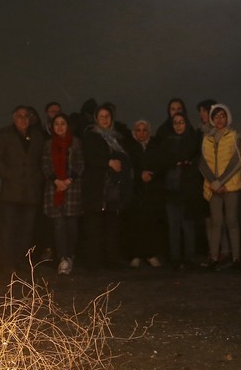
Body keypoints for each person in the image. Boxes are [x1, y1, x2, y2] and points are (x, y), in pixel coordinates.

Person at [0, 106, 46, 275]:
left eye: (26, 116)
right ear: (14, 117)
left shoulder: (37, 136)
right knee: (8, 228)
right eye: (20, 116)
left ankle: (21, 261)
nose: (23, 119)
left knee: (26, 229)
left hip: (31, 190)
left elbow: (42, 158)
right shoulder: (5, 134)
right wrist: (6, 175)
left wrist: (38, 177)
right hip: (11, 190)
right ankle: (6, 262)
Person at [80, 103, 130, 269]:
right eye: (101, 116)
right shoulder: (91, 136)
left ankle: (112, 260)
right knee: (95, 226)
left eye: (107, 116)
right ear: (96, 118)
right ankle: (95, 261)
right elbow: (89, 158)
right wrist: (108, 162)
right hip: (97, 188)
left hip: (114, 188)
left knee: (112, 225)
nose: (105, 119)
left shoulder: (118, 138)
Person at [154, 111, 203, 271]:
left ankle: (189, 258)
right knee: (173, 226)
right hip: (170, 189)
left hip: (187, 189)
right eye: (175, 122)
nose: (178, 125)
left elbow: (191, 158)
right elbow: (162, 160)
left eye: (181, 122)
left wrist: (178, 160)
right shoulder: (167, 141)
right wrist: (178, 161)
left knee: (187, 226)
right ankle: (175, 258)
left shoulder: (193, 139)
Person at [199, 103, 241, 271]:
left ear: (227, 117)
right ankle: (214, 257)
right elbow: (203, 163)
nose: (219, 119)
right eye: (216, 116)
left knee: (232, 221)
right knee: (216, 222)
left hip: (230, 186)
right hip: (213, 186)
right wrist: (213, 182)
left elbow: (237, 161)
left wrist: (221, 182)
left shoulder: (234, 136)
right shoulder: (207, 139)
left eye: (222, 116)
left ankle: (236, 258)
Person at [42, 112, 84, 274]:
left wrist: (68, 180)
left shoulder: (76, 143)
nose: (59, 127)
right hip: (54, 188)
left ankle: (70, 255)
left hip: (72, 188)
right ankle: (63, 258)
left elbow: (80, 163)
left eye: (63, 123)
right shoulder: (48, 144)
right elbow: (45, 164)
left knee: (71, 225)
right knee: (58, 225)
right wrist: (56, 181)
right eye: (56, 124)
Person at [124, 119, 163, 268]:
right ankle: (136, 255)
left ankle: (151, 254)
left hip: (152, 190)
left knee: (151, 224)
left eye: (144, 130)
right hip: (136, 190)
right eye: (138, 130)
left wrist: (152, 174)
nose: (141, 133)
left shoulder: (156, 146)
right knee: (135, 224)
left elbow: (161, 164)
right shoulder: (130, 147)